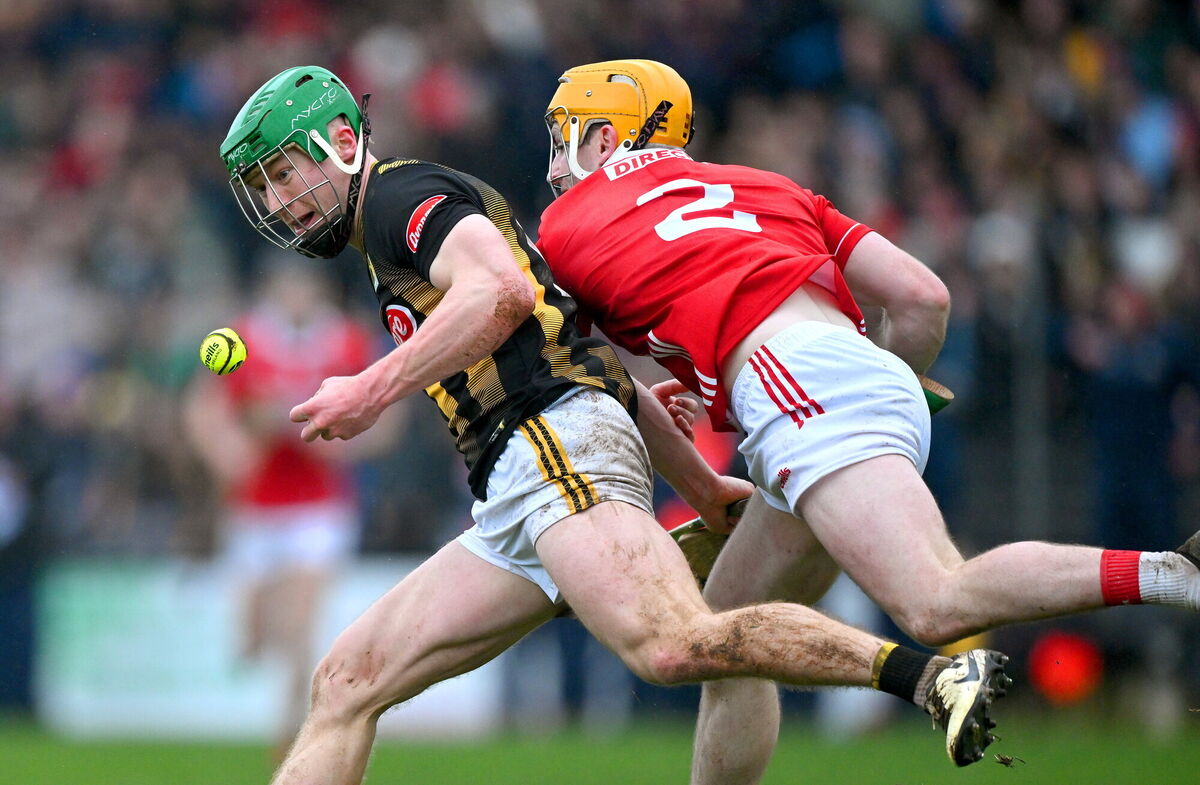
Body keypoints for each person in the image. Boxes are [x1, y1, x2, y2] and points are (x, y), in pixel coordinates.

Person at [217, 65, 1011, 784]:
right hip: (520, 474)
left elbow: (499, 292)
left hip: (548, 448)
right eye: (268, 186)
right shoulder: (384, 232)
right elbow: (582, 358)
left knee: (671, 644)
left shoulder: (397, 198)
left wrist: (372, 388)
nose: (281, 201)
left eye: (287, 173)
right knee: (347, 681)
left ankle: (927, 676)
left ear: (344, 142)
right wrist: (701, 486)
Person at [534, 59, 1200, 785]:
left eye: (561, 139)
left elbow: (546, 350)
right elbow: (923, 298)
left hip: (798, 389)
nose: (552, 168)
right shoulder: (764, 186)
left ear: (603, 139)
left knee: (936, 600)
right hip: (862, 371)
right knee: (729, 626)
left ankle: (1177, 573)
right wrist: (881, 384)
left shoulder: (569, 222)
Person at [183, 261, 376, 759]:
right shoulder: (240, 338)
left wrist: (336, 445)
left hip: (318, 506)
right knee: (251, 638)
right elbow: (204, 407)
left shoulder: (346, 340)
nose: (294, 298)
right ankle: (262, 649)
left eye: (303, 289)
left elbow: (381, 419)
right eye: (285, 288)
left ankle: (289, 733)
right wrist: (228, 450)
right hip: (255, 505)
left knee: (301, 628)